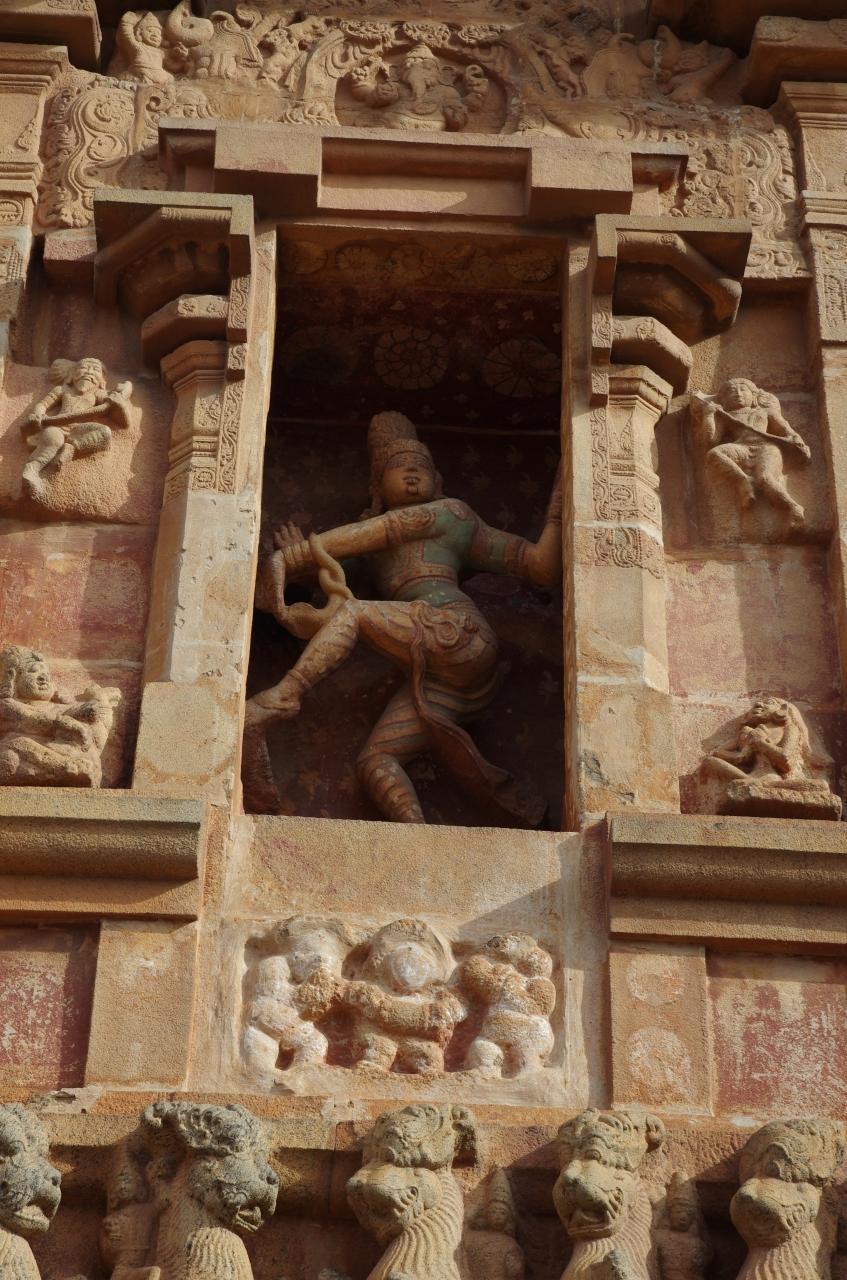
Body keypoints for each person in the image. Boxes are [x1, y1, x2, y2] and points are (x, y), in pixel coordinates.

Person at [246, 411, 561, 825]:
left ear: (438, 481)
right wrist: (302, 566)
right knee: (376, 760)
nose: (412, 473)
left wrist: (560, 505)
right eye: (399, 467)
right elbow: (335, 586)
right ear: (376, 486)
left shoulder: (451, 516)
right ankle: (415, 836)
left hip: (457, 631)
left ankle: (283, 697)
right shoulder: (370, 544)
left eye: (421, 467)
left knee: (357, 614)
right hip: (441, 679)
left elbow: (539, 566)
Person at [690, 377, 809, 528]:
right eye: (732, 391)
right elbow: (710, 441)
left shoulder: (765, 412)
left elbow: (785, 429)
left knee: (765, 478)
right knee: (715, 454)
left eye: (743, 390)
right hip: (742, 448)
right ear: (724, 400)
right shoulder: (725, 416)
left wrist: (796, 439)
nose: (738, 394)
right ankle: (743, 481)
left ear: (753, 396)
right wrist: (709, 415)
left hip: (766, 448)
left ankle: (794, 507)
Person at [21, 358, 133, 499]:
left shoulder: (99, 394)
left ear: (102, 380)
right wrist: (38, 414)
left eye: (95, 370)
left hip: (79, 430)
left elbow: (124, 423)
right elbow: (43, 404)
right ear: (71, 374)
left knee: (104, 432)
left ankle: (71, 450)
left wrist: (120, 405)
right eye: (84, 368)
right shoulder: (62, 390)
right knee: (54, 441)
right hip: (57, 426)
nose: (89, 372)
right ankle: (32, 470)